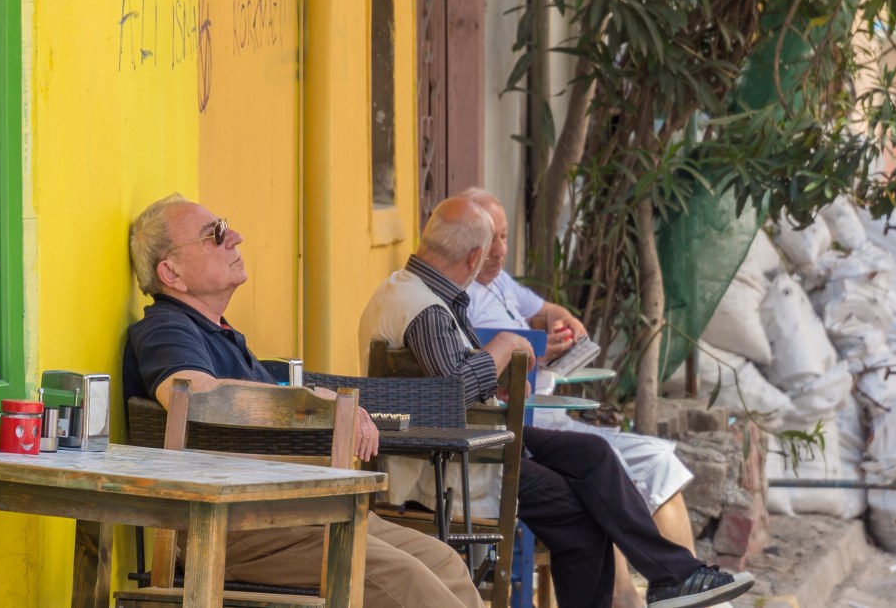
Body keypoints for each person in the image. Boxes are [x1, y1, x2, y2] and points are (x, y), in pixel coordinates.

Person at [359, 195, 754, 608]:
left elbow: (439, 382)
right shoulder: (425, 308)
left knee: (594, 453)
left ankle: (675, 575)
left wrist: (494, 385)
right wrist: (503, 348)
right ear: (475, 256)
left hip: (472, 442)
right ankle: (673, 575)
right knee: (582, 516)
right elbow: (451, 391)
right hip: (452, 464)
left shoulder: (411, 290)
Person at [122, 194, 482, 608]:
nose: (235, 237)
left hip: (297, 514)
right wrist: (312, 401)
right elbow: (189, 391)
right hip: (239, 529)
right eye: (214, 234)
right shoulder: (166, 329)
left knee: (445, 562)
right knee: (407, 583)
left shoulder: (216, 332)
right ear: (172, 273)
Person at [459, 187, 700, 608]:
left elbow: (543, 310)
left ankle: (687, 584)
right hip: (514, 429)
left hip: (544, 423)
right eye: (489, 239)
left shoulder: (499, 284)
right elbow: (472, 376)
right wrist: (531, 354)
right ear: (466, 247)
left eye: (504, 236)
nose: (499, 250)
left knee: (639, 463)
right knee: (608, 477)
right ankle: (641, 595)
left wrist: (562, 321)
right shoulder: (457, 300)